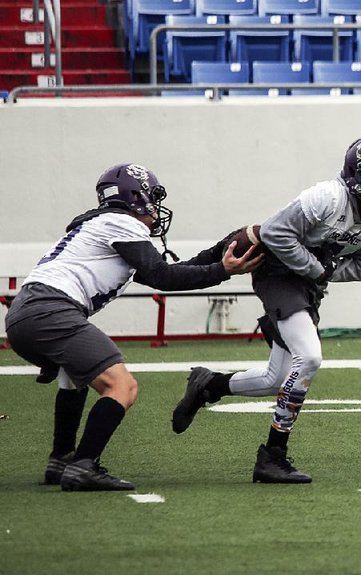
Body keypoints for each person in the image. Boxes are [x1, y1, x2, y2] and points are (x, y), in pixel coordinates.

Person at [4, 163, 263, 491]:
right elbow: (163, 277)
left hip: (25, 315)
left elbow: (167, 271)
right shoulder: (122, 223)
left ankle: (62, 460)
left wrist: (216, 256)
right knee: (122, 387)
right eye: (153, 198)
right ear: (136, 197)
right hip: (51, 310)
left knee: (74, 378)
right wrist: (222, 271)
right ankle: (84, 466)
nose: (156, 208)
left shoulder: (102, 226)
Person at [171, 134, 361, 484]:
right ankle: (273, 455)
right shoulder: (327, 197)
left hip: (307, 284)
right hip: (278, 270)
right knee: (310, 357)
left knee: (277, 379)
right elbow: (273, 233)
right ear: (359, 177)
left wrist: (324, 272)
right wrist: (316, 268)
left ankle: (209, 386)